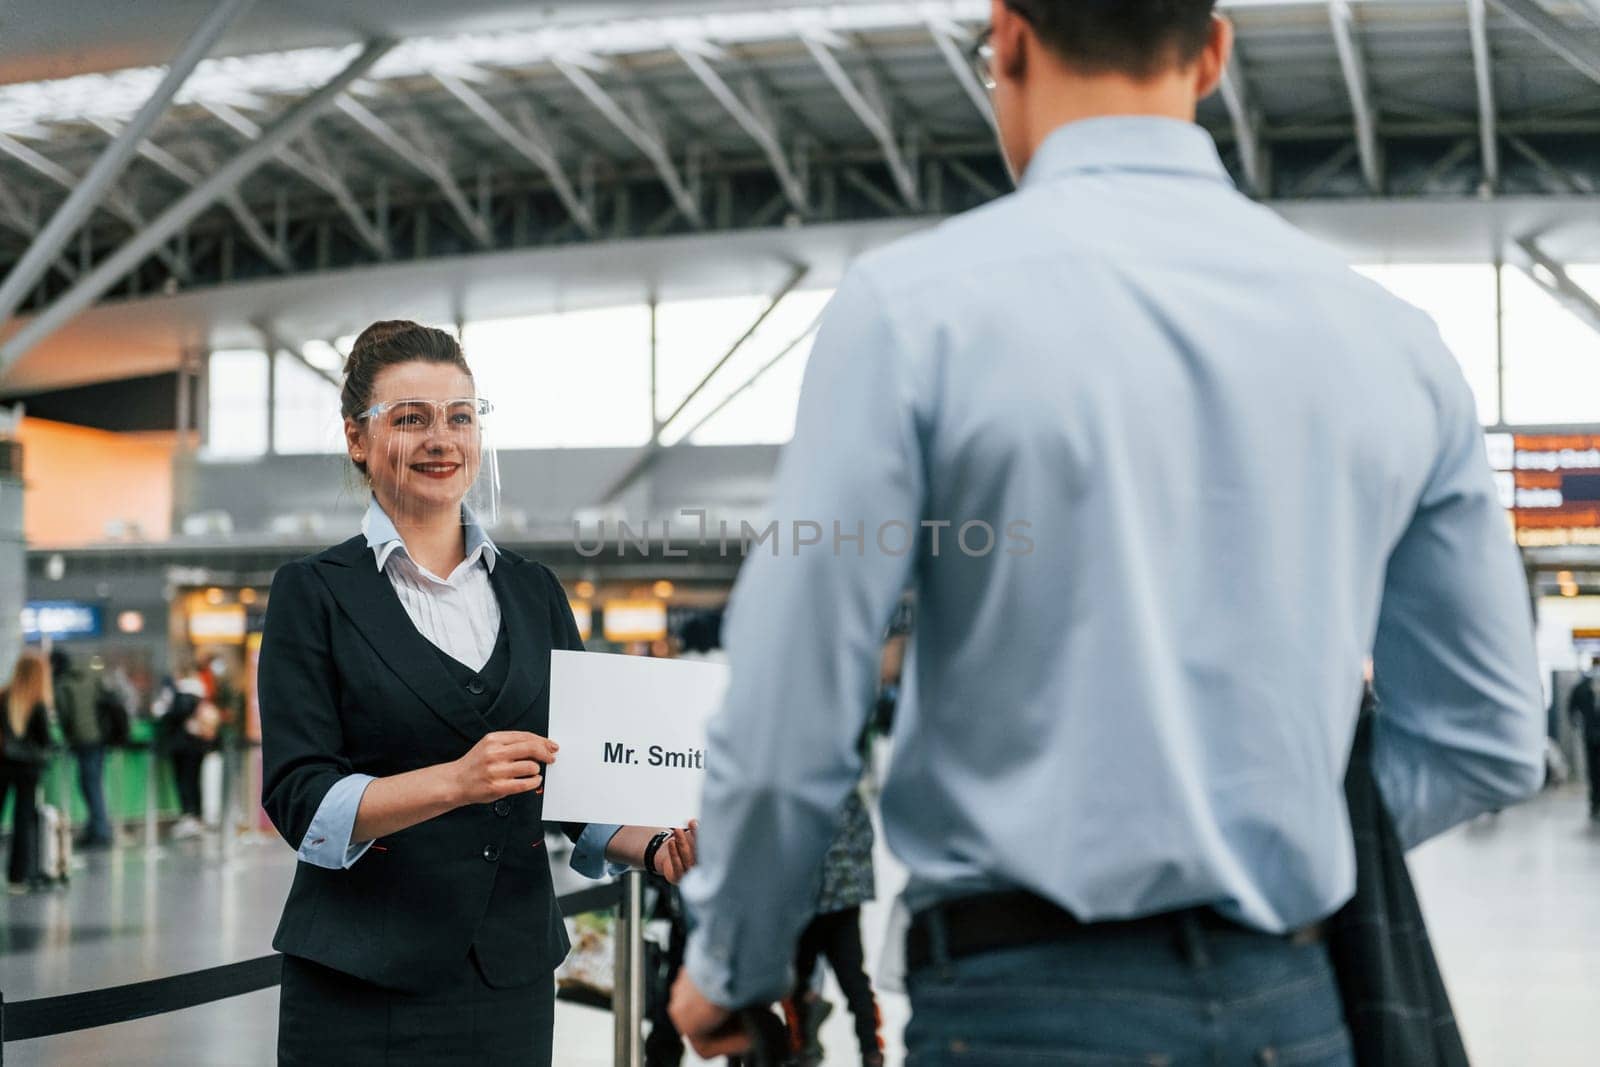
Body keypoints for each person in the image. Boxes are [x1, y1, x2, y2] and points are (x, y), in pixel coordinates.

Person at [669, 2, 1546, 1063]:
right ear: (1212, 50)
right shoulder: (1393, 340)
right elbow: (1488, 732)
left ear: (1009, 38)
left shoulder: (912, 311)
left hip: (1019, 1006)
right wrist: (1255, 842)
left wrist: (732, 961)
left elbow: (793, 699)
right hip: (1297, 1003)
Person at [259, 319, 697, 1067]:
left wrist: (657, 847)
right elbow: (302, 801)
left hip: (510, 979)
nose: (442, 438)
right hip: (360, 984)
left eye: (461, 416)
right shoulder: (313, 594)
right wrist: (456, 782)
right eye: (411, 418)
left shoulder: (534, 592)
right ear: (357, 439)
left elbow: (576, 779)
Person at [781, 788, 882, 1067]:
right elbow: (863, 838)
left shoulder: (802, 786)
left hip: (819, 900)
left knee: (809, 978)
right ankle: (868, 1051)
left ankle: (804, 1047)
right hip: (839, 898)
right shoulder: (846, 783)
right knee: (851, 981)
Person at [1, 652, 55, 892]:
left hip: (1, 765)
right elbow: (45, 740)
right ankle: (17, 877)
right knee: (22, 821)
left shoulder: (3, 696)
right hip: (28, 769)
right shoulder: (38, 703)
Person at [50, 649, 114, 848]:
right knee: (95, 784)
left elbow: (65, 714)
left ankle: (100, 831)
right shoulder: (91, 676)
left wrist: (69, 735)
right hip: (100, 738)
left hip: (82, 740)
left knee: (89, 786)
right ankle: (98, 828)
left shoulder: (62, 683)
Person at [152, 660, 215, 839]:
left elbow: (173, 714)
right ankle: (196, 816)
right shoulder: (200, 692)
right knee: (195, 780)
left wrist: (164, 710)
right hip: (198, 745)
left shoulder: (181, 693)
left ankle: (189, 816)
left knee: (184, 780)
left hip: (183, 745)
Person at [1568, 657, 1600, 820]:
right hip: (1590, 736)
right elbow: (1572, 708)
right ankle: (1595, 803)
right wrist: (1576, 723)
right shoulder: (1582, 688)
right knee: (1593, 770)